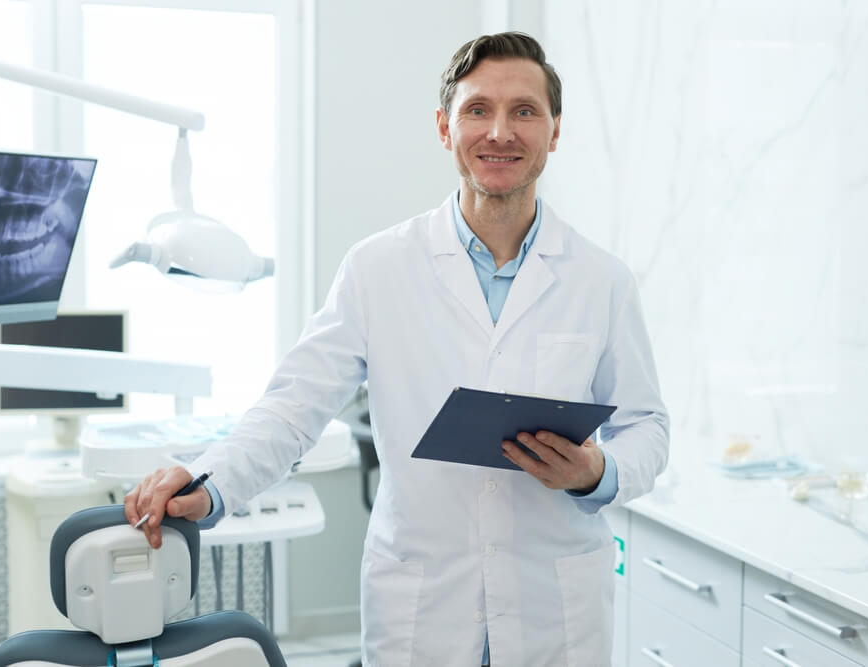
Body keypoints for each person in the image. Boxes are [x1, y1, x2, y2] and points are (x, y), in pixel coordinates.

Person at [126, 31, 669, 666]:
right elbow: (292, 407)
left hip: (555, 612)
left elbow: (647, 428)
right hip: (424, 608)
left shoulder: (600, 280)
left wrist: (597, 473)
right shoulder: (377, 268)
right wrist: (211, 481)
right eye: (477, 110)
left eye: (524, 111)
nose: (500, 131)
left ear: (554, 131)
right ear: (445, 127)